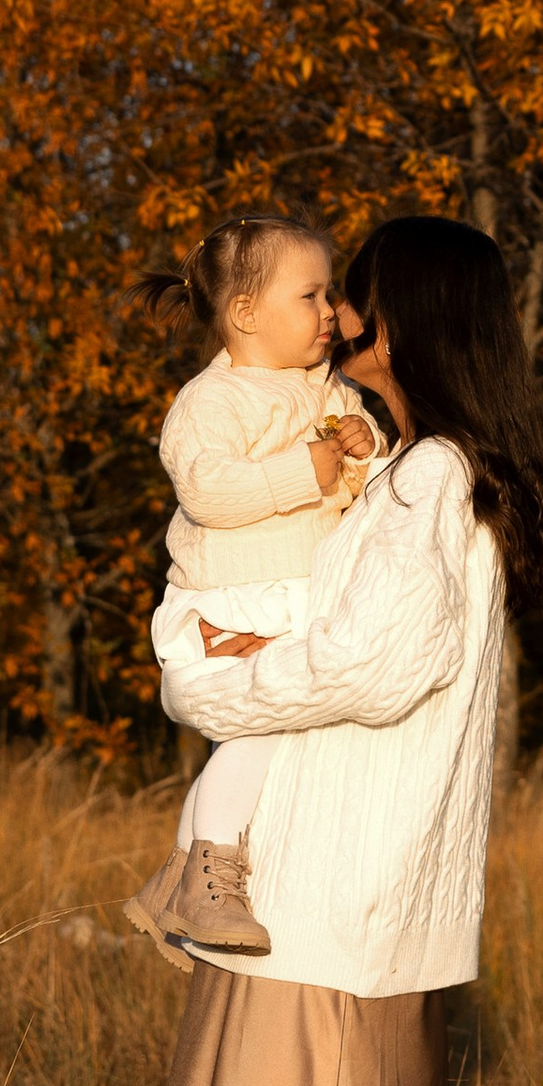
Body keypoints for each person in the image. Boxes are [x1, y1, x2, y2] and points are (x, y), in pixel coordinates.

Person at [111, 213, 543, 1086]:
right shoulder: (413, 474)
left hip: (341, 891)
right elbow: (332, 624)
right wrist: (240, 651)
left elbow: (373, 663)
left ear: (403, 319)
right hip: (335, 884)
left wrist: (207, 680)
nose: (339, 326)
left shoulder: (429, 480)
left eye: (353, 301)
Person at [121, 215, 383, 964]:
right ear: (245, 313)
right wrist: (302, 471)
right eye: (310, 296)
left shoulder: (327, 387)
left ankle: (175, 886)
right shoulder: (212, 401)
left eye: (328, 293)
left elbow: (358, 486)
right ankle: (210, 880)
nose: (330, 311)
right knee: (258, 732)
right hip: (232, 600)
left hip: (298, 599)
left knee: (262, 738)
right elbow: (207, 492)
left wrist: (364, 447)